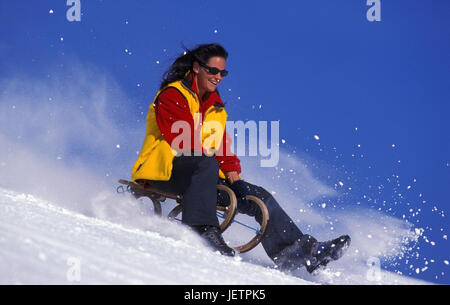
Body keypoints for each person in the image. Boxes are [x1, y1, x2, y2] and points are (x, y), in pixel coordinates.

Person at [131, 43, 350, 273]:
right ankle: (202, 229)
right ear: (196, 68)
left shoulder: (216, 107)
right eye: (212, 71)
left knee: (260, 196)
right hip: (163, 172)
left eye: (222, 73)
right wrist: (213, 163)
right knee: (205, 162)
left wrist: (236, 181)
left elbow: (220, 146)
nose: (218, 77)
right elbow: (182, 139)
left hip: (201, 175)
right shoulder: (173, 94)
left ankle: (297, 251)